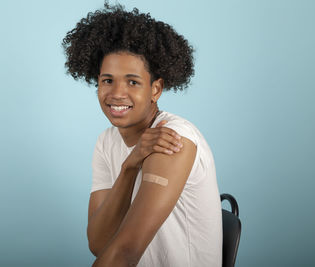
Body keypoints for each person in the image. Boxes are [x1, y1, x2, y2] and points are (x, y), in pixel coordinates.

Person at [62, 3, 222, 266]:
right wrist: (129, 165)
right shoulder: (107, 141)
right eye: (107, 80)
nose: (116, 93)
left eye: (133, 81)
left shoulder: (172, 138)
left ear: (156, 89)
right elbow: (99, 243)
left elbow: (125, 252)